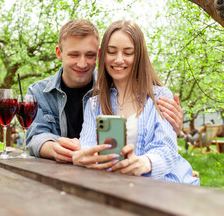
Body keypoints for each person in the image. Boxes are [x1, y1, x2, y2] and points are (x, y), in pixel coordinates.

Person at [26, 19, 183, 163]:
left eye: (89, 55)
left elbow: (162, 145)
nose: (82, 63)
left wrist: (171, 129)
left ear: (99, 55)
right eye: (74, 54)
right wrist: (55, 149)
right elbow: (34, 136)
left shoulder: (114, 88)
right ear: (59, 53)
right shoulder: (38, 92)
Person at [72, 20, 199, 185]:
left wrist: (144, 163)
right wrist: (83, 156)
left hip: (163, 185)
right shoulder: (94, 103)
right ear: (102, 54)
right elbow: (87, 145)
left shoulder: (160, 96)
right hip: (116, 187)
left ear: (139, 55)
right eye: (111, 52)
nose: (118, 60)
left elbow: (167, 149)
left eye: (127, 53)